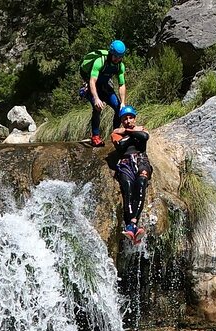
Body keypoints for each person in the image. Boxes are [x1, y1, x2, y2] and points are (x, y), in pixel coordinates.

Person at [109, 105, 152, 242]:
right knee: (128, 191)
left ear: (135, 118)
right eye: (125, 119)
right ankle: (132, 227)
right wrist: (133, 133)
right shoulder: (115, 133)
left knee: (140, 184)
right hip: (125, 164)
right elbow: (121, 146)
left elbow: (144, 136)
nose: (128, 120)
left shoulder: (138, 129)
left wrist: (127, 133)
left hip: (141, 161)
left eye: (130, 118)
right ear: (121, 120)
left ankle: (131, 225)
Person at [79, 40, 127, 147]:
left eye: (120, 57)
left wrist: (123, 102)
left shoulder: (120, 66)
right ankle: (95, 136)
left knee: (119, 107)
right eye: (115, 56)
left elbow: (122, 84)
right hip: (93, 86)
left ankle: (116, 133)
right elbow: (92, 81)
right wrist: (96, 98)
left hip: (104, 86)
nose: (117, 59)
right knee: (98, 108)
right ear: (110, 53)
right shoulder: (100, 61)